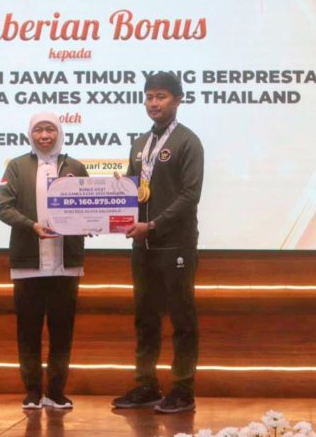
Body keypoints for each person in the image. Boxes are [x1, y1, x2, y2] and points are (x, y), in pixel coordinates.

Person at [112, 71, 204, 413]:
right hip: (143, 246)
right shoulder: (139, 144)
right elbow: (136, 190)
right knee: (145, 317)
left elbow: (190, 196)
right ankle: (146, 385)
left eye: (161, 96)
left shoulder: (188, 142)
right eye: (149, 96)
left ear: (178, 100)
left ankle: (182, 388)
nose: (154, 103)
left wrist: (153, 225)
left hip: (175, 244)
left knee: (182, 317)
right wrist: (117, 195)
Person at [0, 112, 88, 410]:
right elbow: (3, 208)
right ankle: (33, 392)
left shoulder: (75, 167)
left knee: (62, 332)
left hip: (66, 263)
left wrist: (94, 221)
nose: (45, 135)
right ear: (30, 134)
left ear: (60, 133)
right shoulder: (16, 166)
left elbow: (90, 208)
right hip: (28, 263)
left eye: (50, 129)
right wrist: (31, 225)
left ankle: (56, 393)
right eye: (39, 130)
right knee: (28, 332)